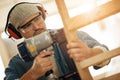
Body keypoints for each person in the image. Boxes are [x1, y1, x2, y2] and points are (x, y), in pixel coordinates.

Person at [4, 2, 110, 80]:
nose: (36, 27)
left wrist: (90, 53)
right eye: (27, 25)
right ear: (17, 33)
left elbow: (105, 52)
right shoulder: (16, 63)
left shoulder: (68, 35)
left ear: (43, 16)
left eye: (37, 19)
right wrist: (32, 74)